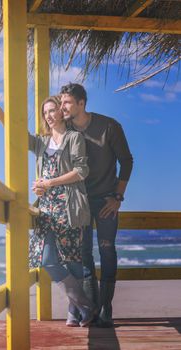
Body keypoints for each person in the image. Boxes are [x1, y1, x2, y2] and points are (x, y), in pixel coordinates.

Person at [0, 96, 95, 327]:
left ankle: (75, 311)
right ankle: (86, 304)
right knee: (46, 258)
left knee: (73, 259)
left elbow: (82, 171)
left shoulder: (74, 138)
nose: (49, 116)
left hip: (69, 206)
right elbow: (16, 133)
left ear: (62, 112)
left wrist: (49, 183)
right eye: (45, 113)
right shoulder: (41, 143)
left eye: (53, 110)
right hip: (46, 209)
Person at [59, 83, 134, 328]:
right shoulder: (65, 129)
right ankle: (90, 308)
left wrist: (118, 198)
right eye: (61, 103)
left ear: (82, 103)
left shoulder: (109, 126)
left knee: (107, 249)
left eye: (67, 102)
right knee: (83, 254)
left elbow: (127, 161)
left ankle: (106, 308)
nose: (62, 107)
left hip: (106, 201)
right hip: (79, 201)